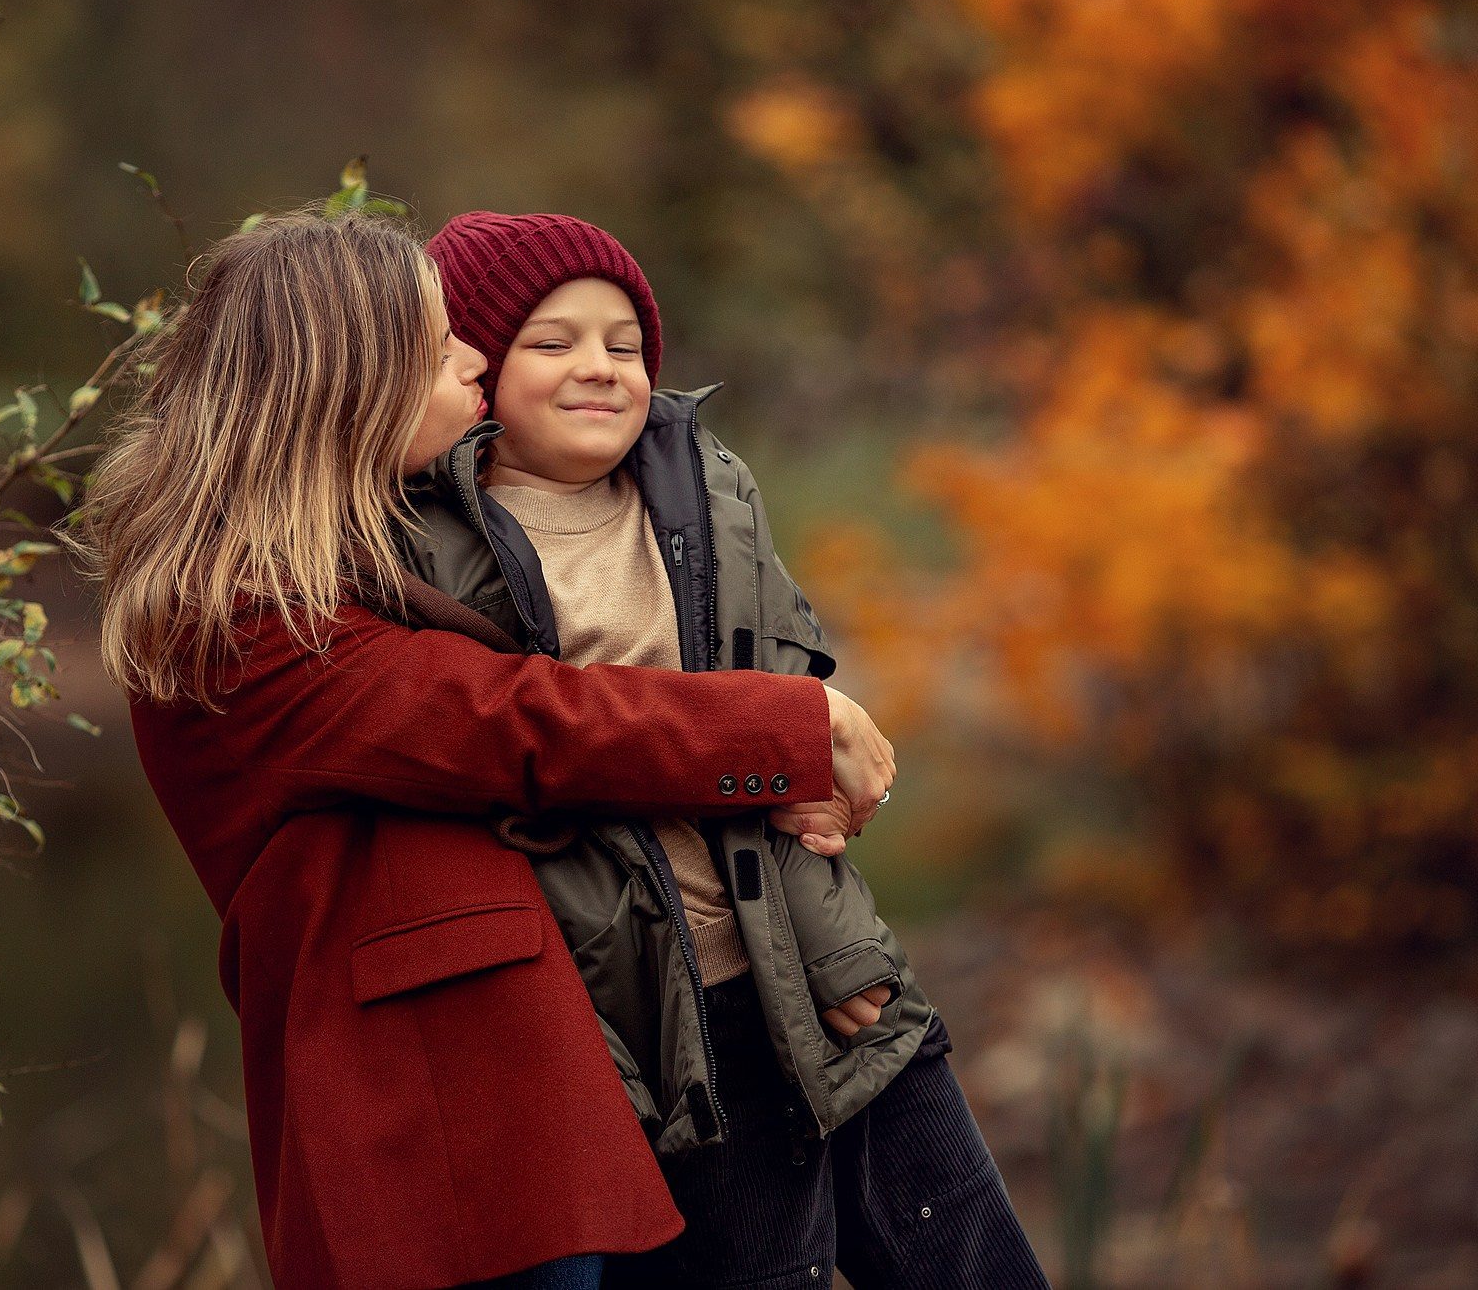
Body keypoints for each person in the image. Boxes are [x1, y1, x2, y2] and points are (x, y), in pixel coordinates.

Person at [70, 209, 900, 1290]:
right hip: (427, 1131)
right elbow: (518, 720)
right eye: (435, 342)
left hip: (519, 1101)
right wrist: (795, 724)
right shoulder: (243, 616)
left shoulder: (354, 553)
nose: (471, 353)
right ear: (345, 381)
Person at [406, 211, 1053, 1288]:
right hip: (661, 1026)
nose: (599, 368)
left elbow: (791, 704)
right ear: (474, 369)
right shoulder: (429, 550)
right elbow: (521, 774)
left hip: (815, 964)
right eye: (552, 341)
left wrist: (832, 935)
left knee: (970, 1258)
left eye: (623, 343)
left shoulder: (703, 487)